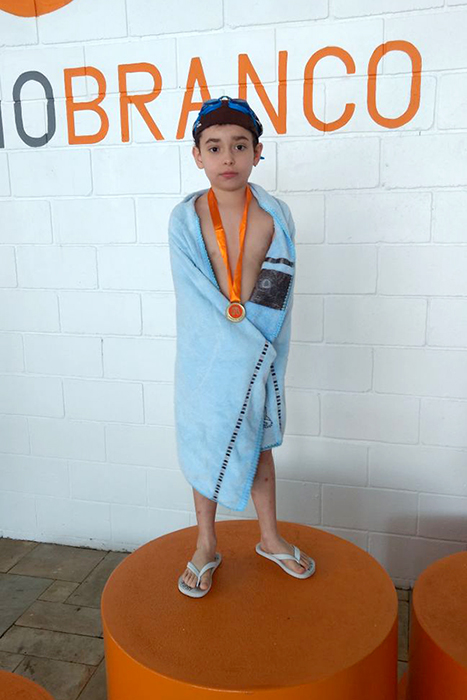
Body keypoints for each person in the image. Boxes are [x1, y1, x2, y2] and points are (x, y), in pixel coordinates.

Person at [169, 96, 315, 597]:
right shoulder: (185, 219)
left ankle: (269, 537)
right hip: (208, 359)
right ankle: (205, 543)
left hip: (258, 352)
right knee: (206, 442)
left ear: (257, 152)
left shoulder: (276, 215)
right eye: (214, 147)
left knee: (258, 446)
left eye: (239, 145)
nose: (227, 158)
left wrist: (255, 346)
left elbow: (279, 290)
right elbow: (192, 296)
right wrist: (227, 345)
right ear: (197, 156)